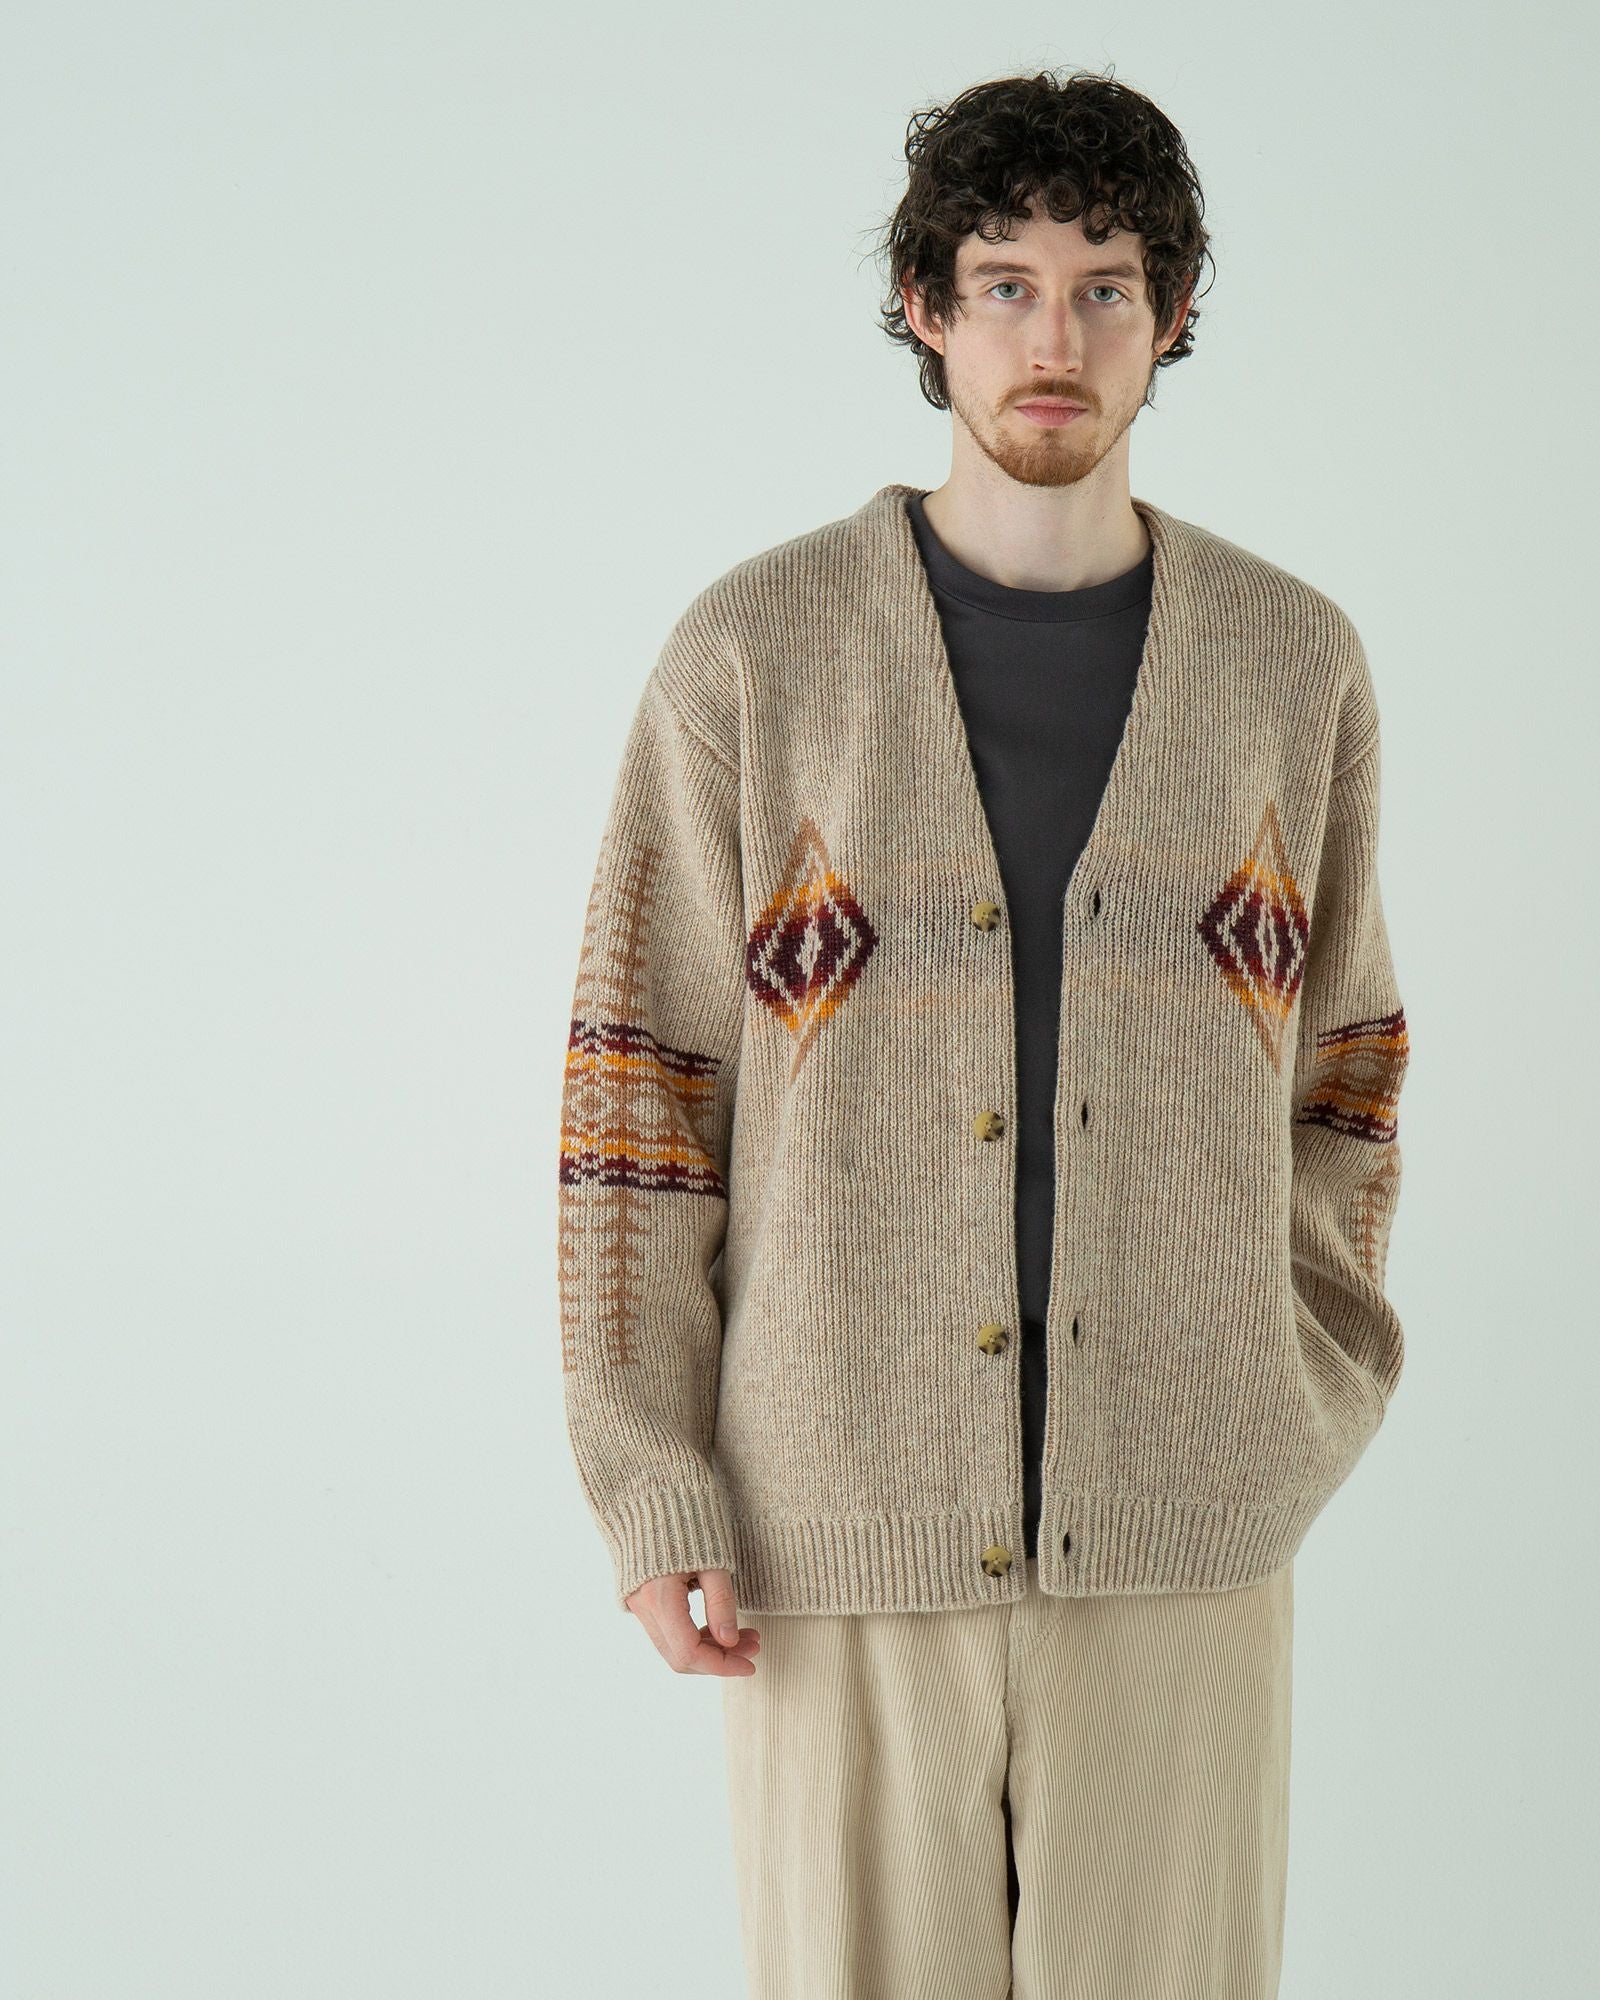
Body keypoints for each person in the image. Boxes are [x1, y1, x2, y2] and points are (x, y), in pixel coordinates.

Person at [557, 65, 1410, 2000]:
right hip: (834, 1537)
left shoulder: (1290, 665)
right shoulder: (754, 658)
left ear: (1170, 317)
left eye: (1106, 288)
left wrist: (1295, 1394)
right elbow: (642, 1097)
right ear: (924, 308)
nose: (1055, 340)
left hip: (1188, 1546)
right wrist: (652, 1476)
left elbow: (1350, 1076)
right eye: (1004, 284)